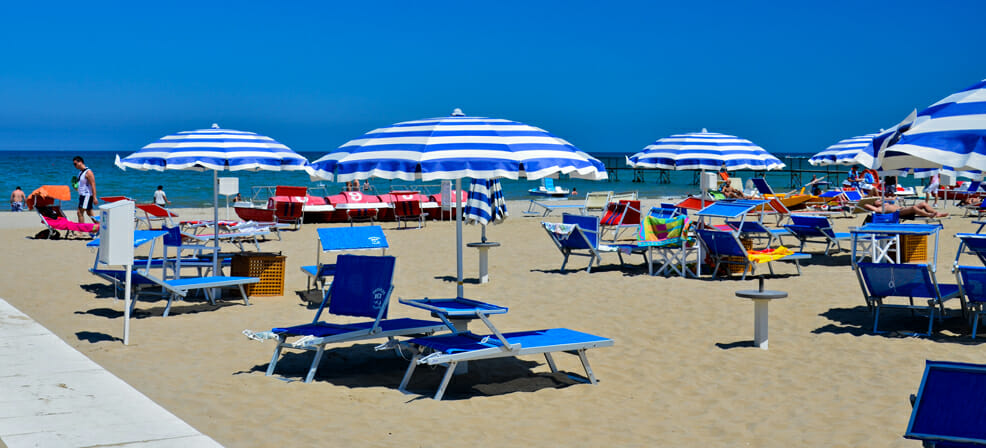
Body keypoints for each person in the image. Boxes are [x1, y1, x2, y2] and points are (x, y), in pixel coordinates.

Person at [862, 198, 948, 218]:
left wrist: (883, 199)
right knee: (914, 207)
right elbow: (866, 205)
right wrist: (872, 204)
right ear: (875, 204)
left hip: (904, 208)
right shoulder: (879, 209)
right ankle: (929, 215)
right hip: (899, 212)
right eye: (878, 200)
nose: (880, 200)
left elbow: (892, 198)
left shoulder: (886, 204)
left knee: (923, 203)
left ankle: (937, 213)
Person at [72, 156, 97, 223]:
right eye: (73, 164)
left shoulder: (88, 172)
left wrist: (94, 197)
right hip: (83, 195)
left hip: (87, 195)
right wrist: (75, 187)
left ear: (80, 162)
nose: (75, 166)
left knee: (79, 213)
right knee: (89, 212)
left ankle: (81, 231)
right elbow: (81, 185)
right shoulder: (80, 172)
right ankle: (100, 226)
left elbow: (93, 185)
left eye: (75, 164)